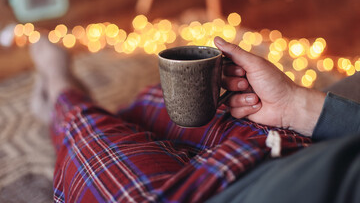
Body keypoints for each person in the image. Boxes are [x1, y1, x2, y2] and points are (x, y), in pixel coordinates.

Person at [30, 35, 360, 203]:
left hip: (225, 193)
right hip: (282, 149)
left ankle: (59, 85)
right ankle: (68, 107)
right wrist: (295, 105)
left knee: (89, 131)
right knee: (150, 102)